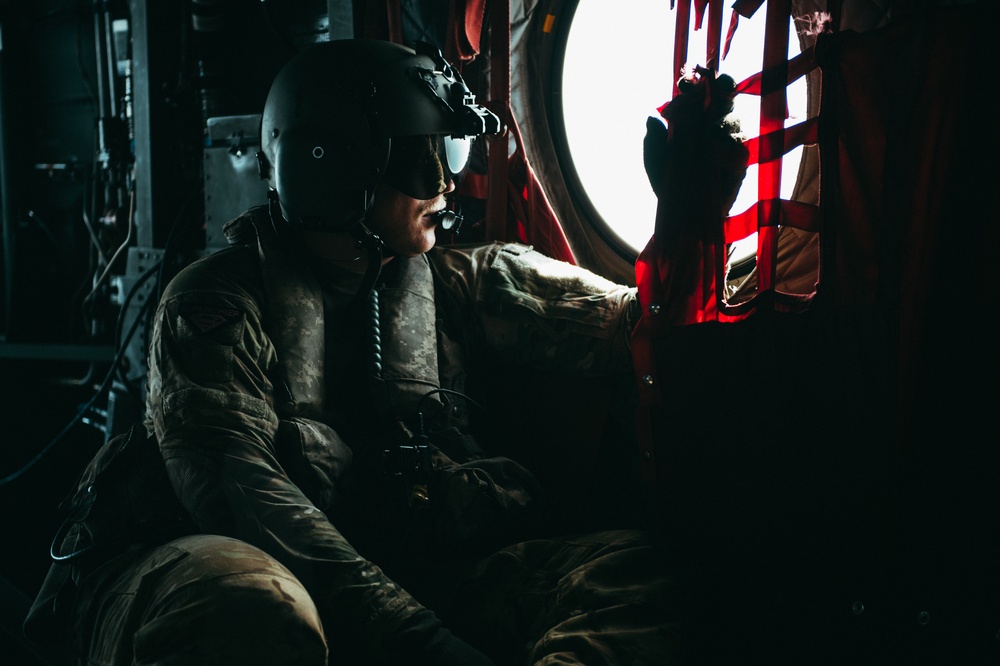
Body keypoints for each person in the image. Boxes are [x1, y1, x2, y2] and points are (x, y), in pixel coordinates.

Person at [25, 38, 674, 665]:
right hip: (199, 568)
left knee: (635, 575)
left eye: (449, 150)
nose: (446, 182)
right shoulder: (214, 307)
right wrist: (422, 642)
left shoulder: (454, 284)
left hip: (399, 571)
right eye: (421, 160)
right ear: (330, 167)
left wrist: (682, 217)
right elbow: (245, 499)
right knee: (248, 607)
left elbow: (638, 324)